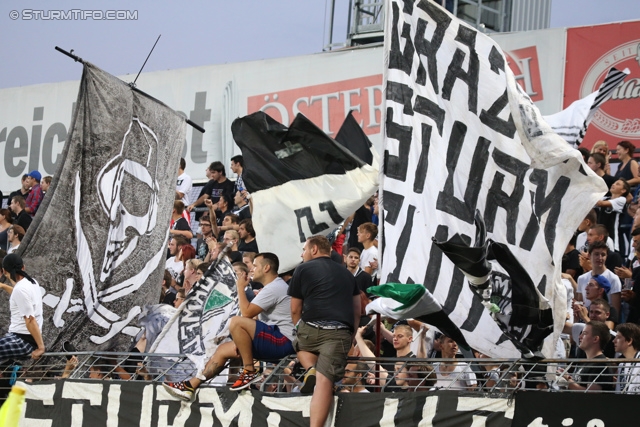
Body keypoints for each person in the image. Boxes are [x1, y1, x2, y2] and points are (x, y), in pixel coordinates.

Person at [164, 252, 295, 399]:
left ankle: (249, 371)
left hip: (283, 341)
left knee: (236, 322)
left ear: (266, 268)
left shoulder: (275, 287)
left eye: (255, 265)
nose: (252, 269)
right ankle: (190, 386)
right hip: (273, 338)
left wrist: (240, 287)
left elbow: (246, 314)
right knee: (223, 350)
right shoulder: (271, 287)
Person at [289, 235, 360, 427]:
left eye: (304, 249)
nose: (302, 254)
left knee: (296, 342)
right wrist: (350, 336)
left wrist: (298, 328)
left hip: (310, 330)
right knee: (324, 382)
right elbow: (357, 309)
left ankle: (310, 368)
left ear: (313, 250)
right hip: (340, 333)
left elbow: (295, 309)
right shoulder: (348, 274)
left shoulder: (302, 269)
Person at [0, 253, 45, 362]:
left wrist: (41, 348)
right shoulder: (32, 282)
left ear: (4, 271)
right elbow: (18, 294)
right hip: (21, 337)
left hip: (24, 340)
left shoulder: (20, 290)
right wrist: (3, 286)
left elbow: (30, 320)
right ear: (23, 267)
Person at [561, 321, 615, 391]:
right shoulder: (586, 361)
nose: (580, 337)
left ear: (595, 339)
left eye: (584, 334)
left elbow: (591, 394)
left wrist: (567, 381)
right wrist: (567, 376)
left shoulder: (601, 364)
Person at [576, 240, 622, 316]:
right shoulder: (581, 278)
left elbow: (615, 309)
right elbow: (580, 302)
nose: (600, 258)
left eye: (603, 255)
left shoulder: (614, 279)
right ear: (589, 255)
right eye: (596, 254)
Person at [596, 178, 631, 256]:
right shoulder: (605, 198)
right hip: (601, 236)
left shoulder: (621, 200)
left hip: (613, 237)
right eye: (614, 183)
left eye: (617, 184)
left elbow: (599, 203)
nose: (613, 184)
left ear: (623, 191)